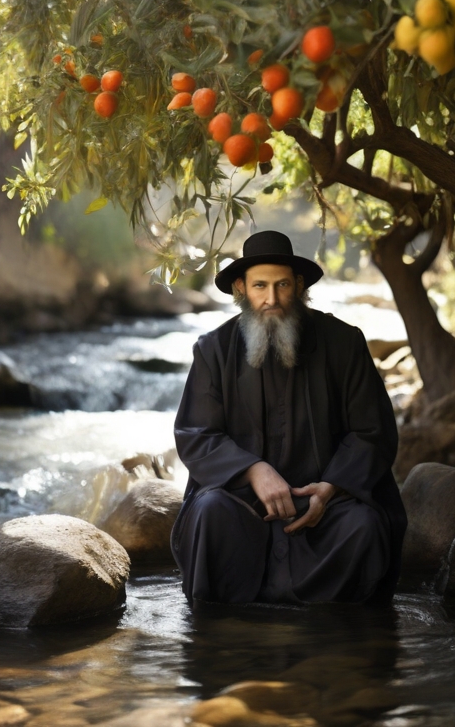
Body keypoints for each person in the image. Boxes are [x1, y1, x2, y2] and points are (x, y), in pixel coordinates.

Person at [171, 230, 407, 605]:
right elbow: (197, 433)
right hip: (242, 503)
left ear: (298, 285)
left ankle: (344, 640)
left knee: (364, 527)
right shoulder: (212, 350)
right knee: (208, 512)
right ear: (240, 288)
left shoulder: (344, 343)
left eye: (282, 284)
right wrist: (253, 471)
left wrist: (331, 486)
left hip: (327, 505)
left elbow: (372, 431)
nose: (272, 298)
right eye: (260, 285)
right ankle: (217, 634)